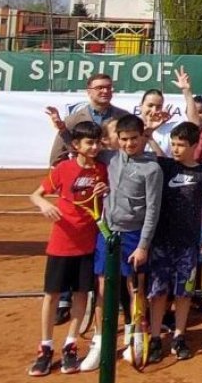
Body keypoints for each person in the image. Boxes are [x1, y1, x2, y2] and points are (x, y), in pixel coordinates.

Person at [83, 114, 163, 370]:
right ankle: (100, 343)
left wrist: (143, 246)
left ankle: (135, 338)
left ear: (142, 137)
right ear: (117, 138)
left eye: (134, 139)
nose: (129, 144)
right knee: (103, 288)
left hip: (134, 236)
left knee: (135, 289)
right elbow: (80, 146)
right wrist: (62, 129)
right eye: (124, 139)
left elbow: (153, 210)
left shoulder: (152, 169)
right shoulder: (110, 158)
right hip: (107, 233)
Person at [28, 121, 108, 376]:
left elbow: (107, 199)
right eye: (89, 143)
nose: (94, 147)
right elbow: (35, 194)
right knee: (52, 295)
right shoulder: (63, 168)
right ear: (76, 145)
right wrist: (44, 204)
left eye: (97, 142)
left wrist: (105, 190)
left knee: (81, 294)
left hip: (88, 244)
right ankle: (45, 346)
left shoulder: (102, 170)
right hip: (61, 244)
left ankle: (70, 344)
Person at [147, 122, 202, 362]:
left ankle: (179, 336)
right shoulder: (166, 166)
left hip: (188, 244)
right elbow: (156, 150)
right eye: (173, 144)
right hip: (161, 242)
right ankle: (155, 338)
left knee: (184, 293)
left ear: (195, 146)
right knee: (158, 292)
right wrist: (149, 135)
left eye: (181, 145)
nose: (176, 149)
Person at [48, 73, 130, 166]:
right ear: (88, 91)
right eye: (100, 88)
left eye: (109, 87)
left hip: (116, 171)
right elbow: (57, 157)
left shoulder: (125, 117)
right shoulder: (73, 120)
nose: (105, 91)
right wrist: (74, 170)